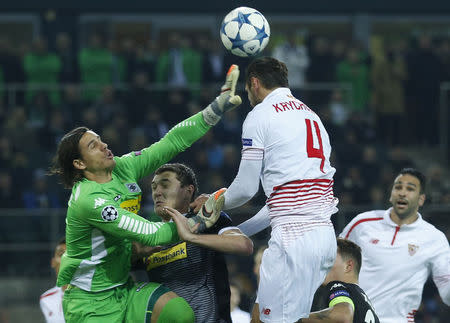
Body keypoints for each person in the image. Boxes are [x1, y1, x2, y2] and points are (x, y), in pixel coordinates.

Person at [50, 65, 242, 323]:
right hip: (90, 302)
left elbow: (171, 142)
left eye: (100, 139)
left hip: (124, 288)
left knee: (180, 313)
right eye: (93, 146)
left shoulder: (122, 167)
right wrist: (198, 222)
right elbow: (153, 234)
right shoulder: (90, 201)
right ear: (80, 164)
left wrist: (214, 110)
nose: (104, 145)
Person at [192, 57, 338, 322]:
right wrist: (237, 232)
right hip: (323, 237)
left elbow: (246, 189)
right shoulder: (311, 115)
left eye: (247, 89)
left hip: (293, 241)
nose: (247, 95)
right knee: (262, 316)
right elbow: (285, 203)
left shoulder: (261, 115)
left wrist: (215, 201)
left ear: (254, 83)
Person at [146, 163, 253, 322]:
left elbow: (243, 244)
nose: (157, 193)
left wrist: (191, 237)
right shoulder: (148, 233)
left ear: (188, 191)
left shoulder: (207, 219)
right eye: (154, 187)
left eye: (165, 185)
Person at [340, 168, 450, 323]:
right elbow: (334, 261)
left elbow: (446, 287)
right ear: (391, 194)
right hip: (355, 319)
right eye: (398, 187)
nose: (402, 193)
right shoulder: (362, 223)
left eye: (410, 189)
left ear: (421, 199)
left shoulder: (434, 238)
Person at [299, 238, 379, 323]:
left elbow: (343, 316)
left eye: (329, 260)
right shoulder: (364, 302)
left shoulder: (338, 286)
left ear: (348, 266)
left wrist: (297, 320)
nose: (323, 265)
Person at [40, 238, 67, 323]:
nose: (65, 259)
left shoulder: (93, 296)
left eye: (70, 255)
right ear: (53, 262)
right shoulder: (46, 299)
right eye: (61, 254)